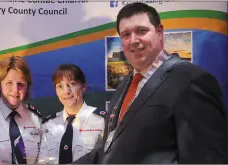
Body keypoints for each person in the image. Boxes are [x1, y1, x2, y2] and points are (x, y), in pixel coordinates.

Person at [73, 2, 228, 164]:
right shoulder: (123, 87)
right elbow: (104, 152)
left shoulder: (192, 80)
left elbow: (206, 159)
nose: (133, 40)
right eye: (126, 34)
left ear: (160, 32)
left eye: (141, 31)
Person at [38, 64, 106, 164]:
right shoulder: (48, 125)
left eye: (72, 84)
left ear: (83, 87)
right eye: (60, 86)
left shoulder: (102, 122)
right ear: (56, 91)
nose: (66, 91)